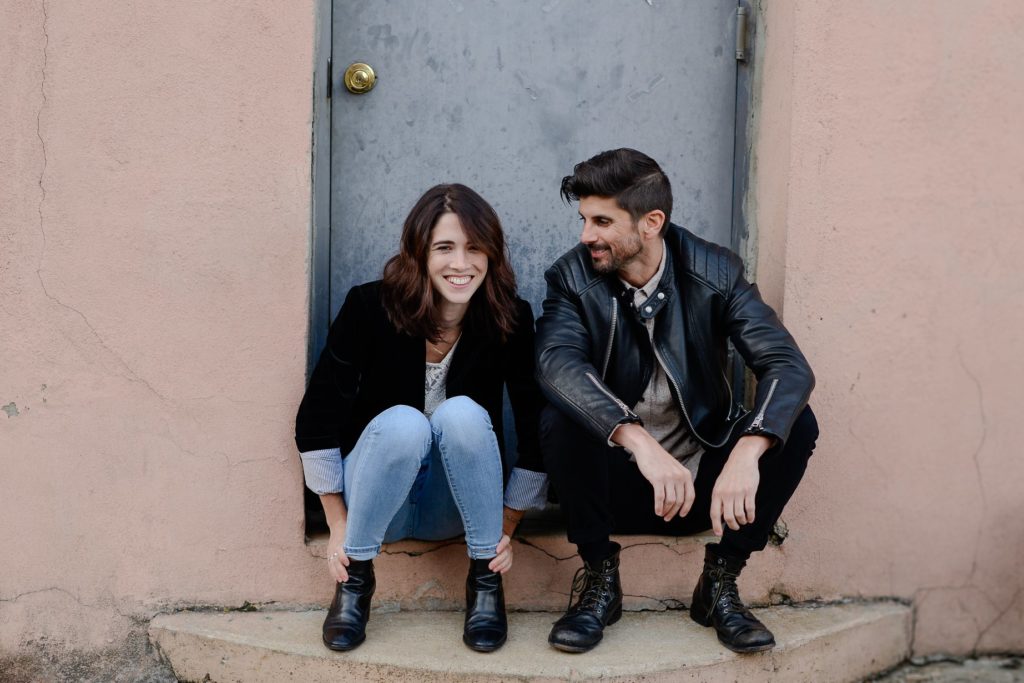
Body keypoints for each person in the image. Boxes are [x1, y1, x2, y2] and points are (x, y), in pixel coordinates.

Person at [536, 149, 819, 654]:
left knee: (797, 423)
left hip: (704, 490)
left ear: (651, 222)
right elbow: (556, 365)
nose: (586, 236)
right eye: (583, 220)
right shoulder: (571, 279)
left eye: (602, 221)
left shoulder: (715, 272)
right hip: (615, 485)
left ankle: (720, 583)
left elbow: (788, 366)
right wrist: (639, 443)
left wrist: (747, 452)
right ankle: (600, 579)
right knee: (560, 416)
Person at [294, 184, 547, 653]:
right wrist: (338, 525)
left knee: (462, 415)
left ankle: (485, 584)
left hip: (453, 510)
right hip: (373, 509)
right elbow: (318, 417)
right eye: (445, 248)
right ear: (419, 252)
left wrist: (505, 529)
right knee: (404, 423)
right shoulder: (370, 307)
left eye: (474, 248)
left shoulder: (508, 318)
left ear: (491, 253)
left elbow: (536, 427)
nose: (461, 263)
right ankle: (355, 582)